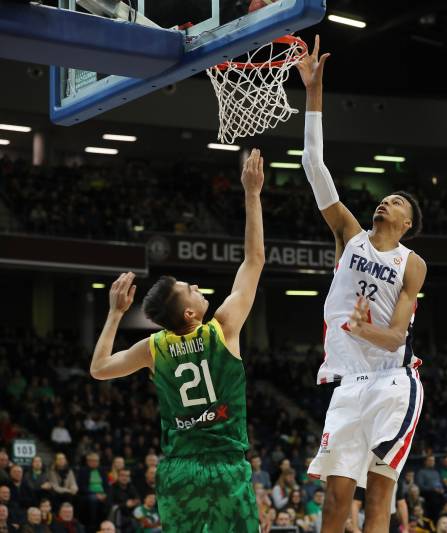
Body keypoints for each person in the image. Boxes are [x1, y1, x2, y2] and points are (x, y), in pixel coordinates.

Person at [87, 148, 267, 532]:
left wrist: (116, 313)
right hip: (225, 467)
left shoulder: (154, 349)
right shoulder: (223, 328)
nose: (198, 287)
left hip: (178, 471)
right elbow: (254, 259)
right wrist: (252, 194)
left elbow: (99, 369)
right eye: (190, 288)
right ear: (189, 314)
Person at [297, 36, 428, 533]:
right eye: (385, 197)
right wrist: (314, 92)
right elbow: (314, 165)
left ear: (407, 222)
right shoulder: (349, 235)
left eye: (397, 201)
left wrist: (363, 329)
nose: (386, 202)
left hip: (393, 382)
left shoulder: (412, 262)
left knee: (377, 503)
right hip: (349, 384)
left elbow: (396, 336)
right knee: (333, 503)